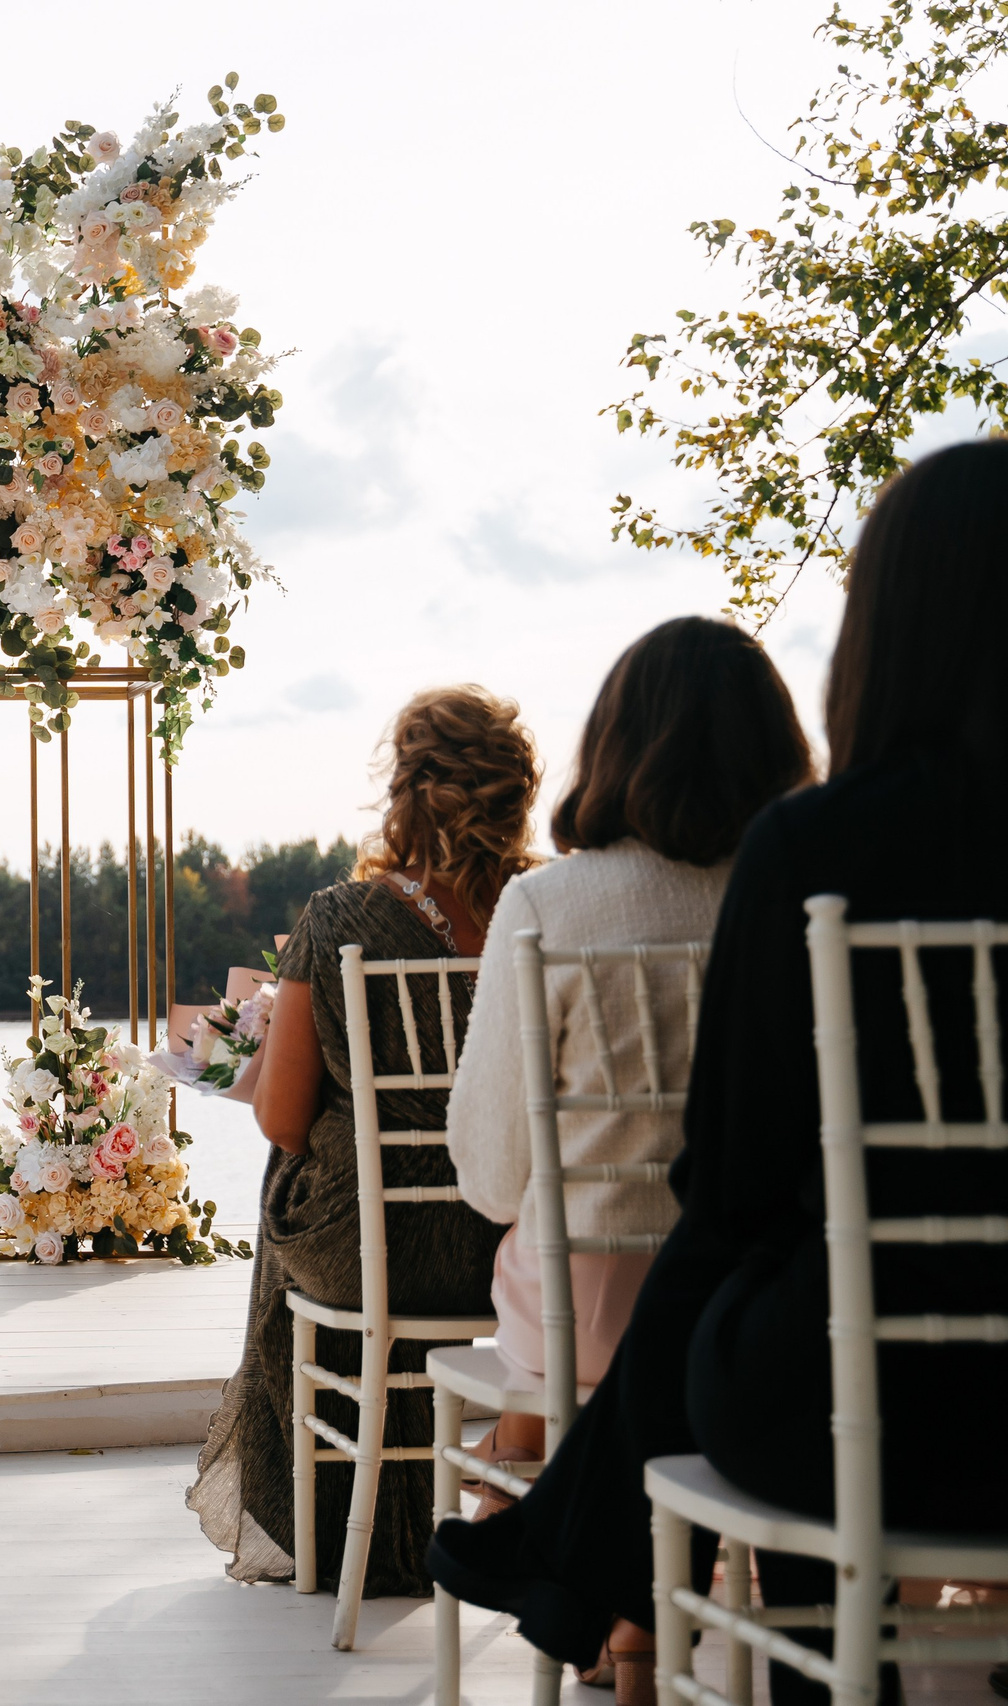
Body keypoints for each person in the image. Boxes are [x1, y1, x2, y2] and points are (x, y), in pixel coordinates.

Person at [428, 441, 1008, 1706]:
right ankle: (569, 1556)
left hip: (874, 1404)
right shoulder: (778, 835)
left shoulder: (818, 849)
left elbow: (731, 1183)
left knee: (749, 1276)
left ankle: (583, 1563)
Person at [443, 618, 812, 1525]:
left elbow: (490, 1179)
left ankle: (597, 1584)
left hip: (588, 1311)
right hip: (765, 1310)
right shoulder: (804, 896)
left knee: (531, 1262)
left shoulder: (545, 904)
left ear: (611, 742)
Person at [187, 685, 540, 1594]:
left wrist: (265, 1048)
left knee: (287, 1176)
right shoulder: (545, 910)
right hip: (517, 1255)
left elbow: (282, 1118)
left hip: (371, 1255)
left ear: (406, 788)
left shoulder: (340, 918)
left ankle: (340, 1527)